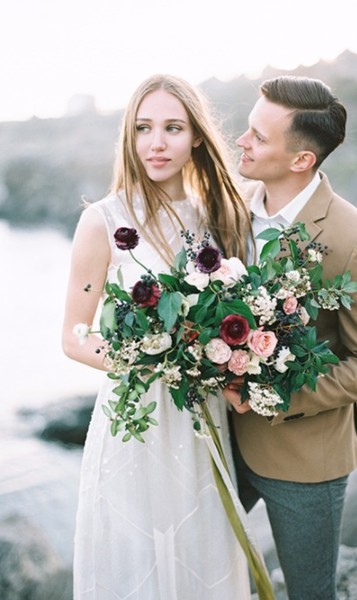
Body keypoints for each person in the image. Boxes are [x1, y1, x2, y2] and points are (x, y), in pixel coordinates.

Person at [61, 74, 255, 599]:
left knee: (204, 555)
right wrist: (152, 361)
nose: (156, 142)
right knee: (133, 563)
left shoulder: (221, 218)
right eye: (144, 128)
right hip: (133, 420)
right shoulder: (102, 221)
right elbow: (75, 336)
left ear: (196, 136)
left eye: (173, 127)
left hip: (200, 418)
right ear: (130, 136)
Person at [224, 75, 357, 599]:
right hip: (219, 439)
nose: (242, 141)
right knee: (203, 573)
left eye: (258, 135)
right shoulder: (229, 209)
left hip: (306, 458)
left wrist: (271, 394)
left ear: (301, 159)